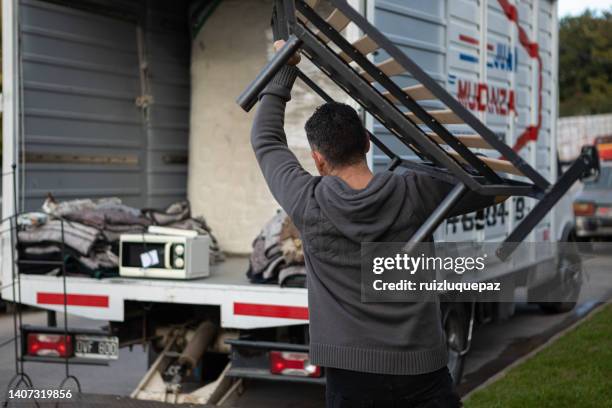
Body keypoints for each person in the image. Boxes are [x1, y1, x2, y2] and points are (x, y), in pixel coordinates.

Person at [250, 40, 502, 408]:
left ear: (318, 160)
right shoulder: (418, 190)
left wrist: (285, 67)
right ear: (367, 143)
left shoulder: (307, 201)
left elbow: (265, 140)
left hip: (350, 378)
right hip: (423, 372)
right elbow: (492, 184)